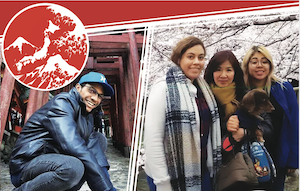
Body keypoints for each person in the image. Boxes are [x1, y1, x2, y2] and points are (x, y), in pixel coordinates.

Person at [9, 72, 116, 191]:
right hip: (27, 165)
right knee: (73, 167)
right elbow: (72, 144)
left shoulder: (88, 117)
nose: (95, 98)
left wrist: (107, 187)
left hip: (57, 162)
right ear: (78, 88)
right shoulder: (63, 102)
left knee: (98, 139)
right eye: (92, 91)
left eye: (100, 96)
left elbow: (96, 157)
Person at [144, 36, 222, 191]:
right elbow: (153, 140)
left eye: (200, 57)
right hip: (170, 176)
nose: (196, 62)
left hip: (202, 170)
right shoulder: (163, 88)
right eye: (190, 57)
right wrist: (163, 182)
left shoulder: (203, 89)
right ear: (179, 59)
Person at [237, 45, 299, 191]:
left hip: (278, 154)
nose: (260, 65)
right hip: (249, 156)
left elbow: (294, 124)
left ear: (270, 65)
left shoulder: (284, 88)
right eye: (254, 61)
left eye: (264, 61)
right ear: (247, 66)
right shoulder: (241, 91)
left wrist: (293, 159)